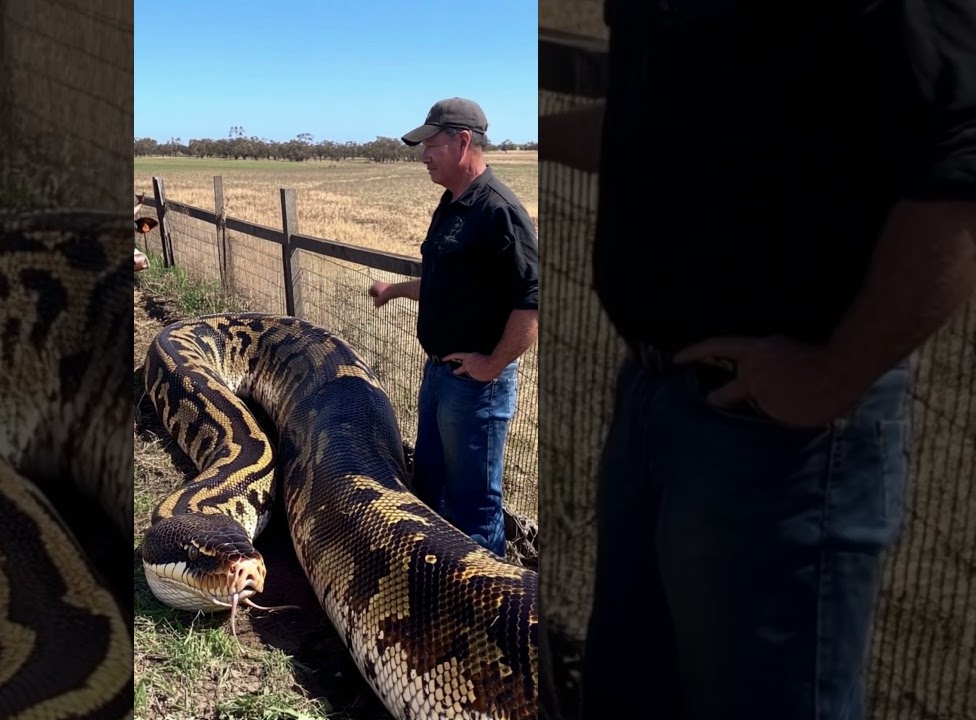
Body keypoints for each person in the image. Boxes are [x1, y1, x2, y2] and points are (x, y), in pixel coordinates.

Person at [538, 1, 976, 719]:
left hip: (772, 435)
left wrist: (833, 375)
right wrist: (529, 141)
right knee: (629, 691)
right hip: (652, 394)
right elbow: (658, 128)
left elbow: (960, 149)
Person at [369, 97, 538, 557]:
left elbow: (533, 302)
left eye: (431, 145)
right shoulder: (452, 204)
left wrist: (493, 363)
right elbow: (447, 284)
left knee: (474, 509)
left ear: (463, 142)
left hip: (474, 385)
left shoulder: (499, 212)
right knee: (430, 484)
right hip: (439, 375)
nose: (423, 155)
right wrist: (395, 291)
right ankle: (435, 583)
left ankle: (489, 610)